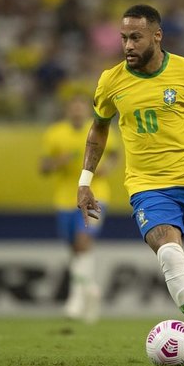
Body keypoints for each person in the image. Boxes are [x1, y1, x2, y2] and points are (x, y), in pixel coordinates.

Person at [77, 4, 184, 366]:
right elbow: (98, 128)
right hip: (147, 186)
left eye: (135, 37)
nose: (128, 45)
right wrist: (85, 180)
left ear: (157, 36)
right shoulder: (111, 80)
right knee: (169, 254)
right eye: (123, 38)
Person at [41, 90, 119, 323]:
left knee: (83, 241)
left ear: (87, 110)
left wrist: (109, 167)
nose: (77, 111)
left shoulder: (99, 128)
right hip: (65, 199)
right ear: (67, 110)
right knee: (74, 250)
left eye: (80, 107)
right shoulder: (55, 134)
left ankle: (75, 298)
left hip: (97, 195)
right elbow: (43, 167)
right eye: (72, 107)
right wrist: (57, 162)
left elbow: (114, 155)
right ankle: (90, 290)